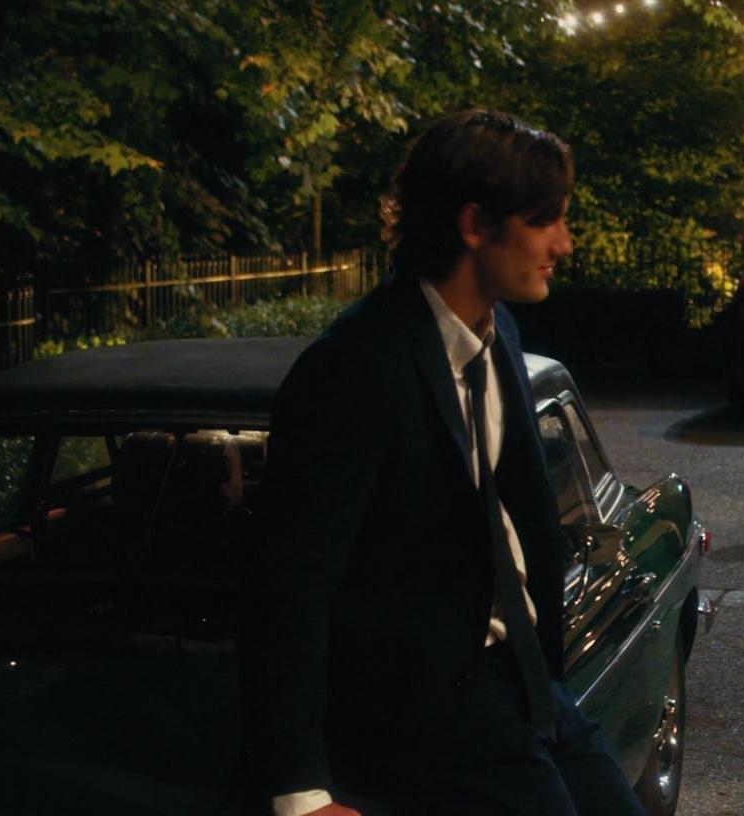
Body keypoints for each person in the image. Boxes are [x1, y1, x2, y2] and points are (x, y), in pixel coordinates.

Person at [240, 110, 645, 816]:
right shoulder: (359, 363)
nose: (564, 243)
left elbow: (521, 510)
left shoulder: (498, 328)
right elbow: (293, 579)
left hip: (524, 681)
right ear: (474, 224)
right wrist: (299, 790)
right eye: (545, 220)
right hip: (427, 707)